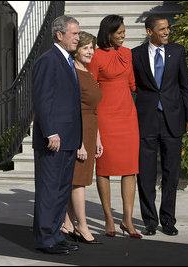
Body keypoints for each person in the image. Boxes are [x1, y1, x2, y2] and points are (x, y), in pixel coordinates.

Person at [131, 14, 188, 237]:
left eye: (168, 28)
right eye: (162, 29)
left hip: (173, 119)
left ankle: (168, 220)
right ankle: (150, 221)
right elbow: (133, 88)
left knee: (171, 173)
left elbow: (185, 86)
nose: (167, 32)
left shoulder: (177, 52)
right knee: (146, 174)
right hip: (146, 120)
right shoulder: (136, 54)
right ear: (150, 32)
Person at [87, 14, 142, 239]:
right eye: (119, 33)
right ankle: (109, 217)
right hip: (106, 117)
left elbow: (132, 84)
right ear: (108, 33)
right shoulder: (96, 56)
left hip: (128, 116)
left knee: (130, 169)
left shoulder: (127, 53)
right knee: (105, 168)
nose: (123, 36)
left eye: (124, 32)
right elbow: (90, 89)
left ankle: (127, 220)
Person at [31, 15, 82, 255]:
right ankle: (45, 239)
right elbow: (42, 99)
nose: (78, 38)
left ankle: (55, 234)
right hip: (53, 139)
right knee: (49, 190)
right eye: (74, 34)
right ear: (59, 35)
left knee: (62, 190)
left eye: (79, 34)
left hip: (69, 138)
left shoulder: (68, 61)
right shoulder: (48, 61)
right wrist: (50, 131)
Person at [61, 31, 103, 244]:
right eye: (86, 47)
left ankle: (68, 223)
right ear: (76, 50)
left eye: (92, 48)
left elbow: (92, 110)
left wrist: (96, 139)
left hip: (89, 130)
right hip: (77, 133)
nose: (90, 51)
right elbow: (72, 110)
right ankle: (82, 227)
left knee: (77, 181)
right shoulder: (73, 74)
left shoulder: (87, 72)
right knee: (78, 182)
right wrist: (79, 143)